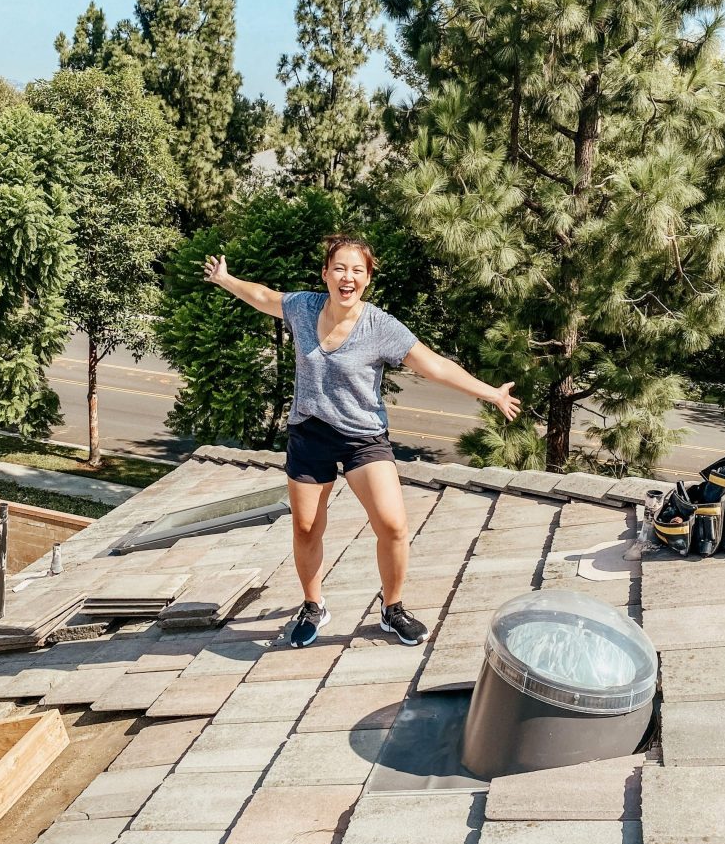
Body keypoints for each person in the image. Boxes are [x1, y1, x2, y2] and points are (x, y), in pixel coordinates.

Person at [202, 233, 521, 649]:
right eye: (339, 268)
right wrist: (226, 279)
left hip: (361, 437)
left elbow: (436, 366)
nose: (347, 277)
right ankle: (313, 605)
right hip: (309, 433)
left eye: (357, 270)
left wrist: (491, 392)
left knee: (392, 524)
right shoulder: (303, 307)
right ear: (325, 274)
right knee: (305, 529)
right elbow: (263, 295)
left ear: (367, 279)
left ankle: (393, 609)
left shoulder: (380, 327)